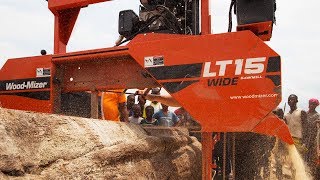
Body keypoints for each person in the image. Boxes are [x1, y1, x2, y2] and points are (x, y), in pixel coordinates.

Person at [305, 98, 320, 175]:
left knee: (311, 157)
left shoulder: (318, 116)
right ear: (309, 104)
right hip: (304, 138)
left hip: (313, 139)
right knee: (303, 155)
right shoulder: (305, 114)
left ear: (316, 106)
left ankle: (310, 173)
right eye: (311, 104)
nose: (312, 105)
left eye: (314, 104)